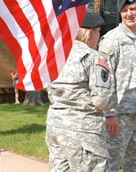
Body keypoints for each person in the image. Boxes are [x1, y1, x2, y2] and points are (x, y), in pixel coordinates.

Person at [45, 12, 117, 171]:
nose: (99, 36)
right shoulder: (94, 58)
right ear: (91, 33)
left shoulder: (56, 56)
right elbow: (102, 101)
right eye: (99, 31)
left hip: (55, 126)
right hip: (83, 130)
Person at [99, 0, 136, 171]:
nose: (130, 14)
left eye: (133, 9)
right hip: (119, 115)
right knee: (110, 163)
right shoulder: (112, 39)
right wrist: (109, 112)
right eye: (125, 10)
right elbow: (103, 80)